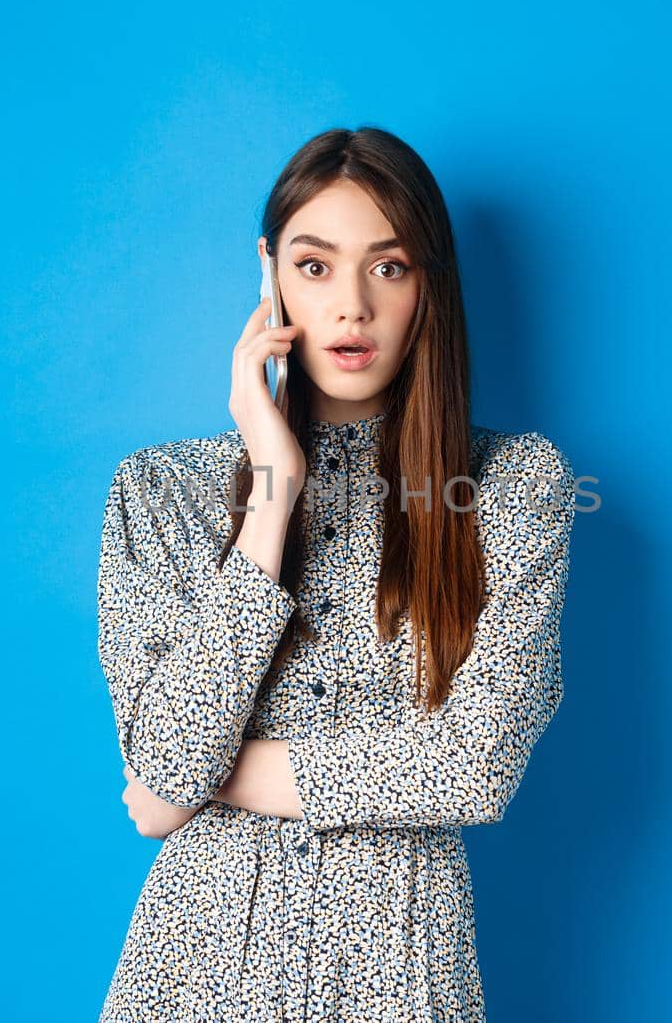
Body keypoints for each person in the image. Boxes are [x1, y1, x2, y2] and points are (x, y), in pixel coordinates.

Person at [96, 125, 578, 1022]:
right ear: (268, 271)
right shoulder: (162, 489)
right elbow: (162, 771)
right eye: (315, 266)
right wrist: (273, 496)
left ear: (428, 286)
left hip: (401, 966)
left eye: (388, 267)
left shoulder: (516, 487)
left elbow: (474, 769)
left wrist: (214, 775)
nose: (351, 305)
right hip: (195, 965)